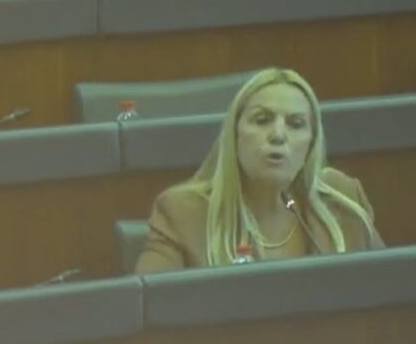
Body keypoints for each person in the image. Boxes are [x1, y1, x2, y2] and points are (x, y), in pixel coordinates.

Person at [135, 68, 384, 273]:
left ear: (311, 144)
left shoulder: (343, 201)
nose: (278, 135)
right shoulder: (182, 213)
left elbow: (388, 292)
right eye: (262, 120)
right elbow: (153, 308)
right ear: (235, 134)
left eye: (296, 124)